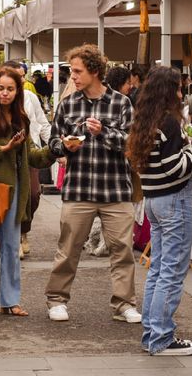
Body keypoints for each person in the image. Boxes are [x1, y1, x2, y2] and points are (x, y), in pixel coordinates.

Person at [44, 44, 139, 325]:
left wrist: (104, 132)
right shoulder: (68, 104)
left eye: (77, 71)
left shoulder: (122, 103)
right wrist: (63, 147)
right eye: (72, 71)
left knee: (122, 249)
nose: (72, 77)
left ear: (95, 71)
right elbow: (51, 142)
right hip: (79, 189)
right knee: (68, 248)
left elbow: (132, 144)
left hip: (116, 189)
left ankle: (124, 304)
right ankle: (57, 300)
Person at [127, 66, 192, 357]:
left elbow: (158, 165)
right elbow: (176, 169)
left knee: (158, 270)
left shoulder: (144, 120)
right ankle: (162, 338)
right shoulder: (167, 122)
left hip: (154, 201)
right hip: (173, 200)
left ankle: (152, 334)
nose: (182, 94)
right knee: (171, 272)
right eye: (178, 89)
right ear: (168, 92)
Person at [0, 67, 56, 317]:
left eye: (10, 89)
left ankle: (10, 300)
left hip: (14, 190)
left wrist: (57, 151)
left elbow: (33, 157)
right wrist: (5, 148)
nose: (4, 93)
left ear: (18, 92)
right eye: (0, 88)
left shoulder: (21, 119)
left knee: (11, 247)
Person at [3, 60, 51, 258]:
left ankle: (24, 231)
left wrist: (55, 146)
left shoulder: (31, 97)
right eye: (18, 76)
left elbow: (42, 123)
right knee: (10, 196)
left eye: (22, 76)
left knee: (33, 193)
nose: (22, 80)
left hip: (30, 152)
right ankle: (13, 237)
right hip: (6, 155)